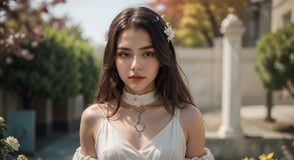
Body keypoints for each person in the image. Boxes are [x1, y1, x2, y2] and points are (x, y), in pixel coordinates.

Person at [72, 6, 215, 160]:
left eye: (147, 53)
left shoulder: (188, 117)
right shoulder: (93, 118)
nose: (135, 65)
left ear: (161, 57)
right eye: (124, 54)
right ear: (113, 59)